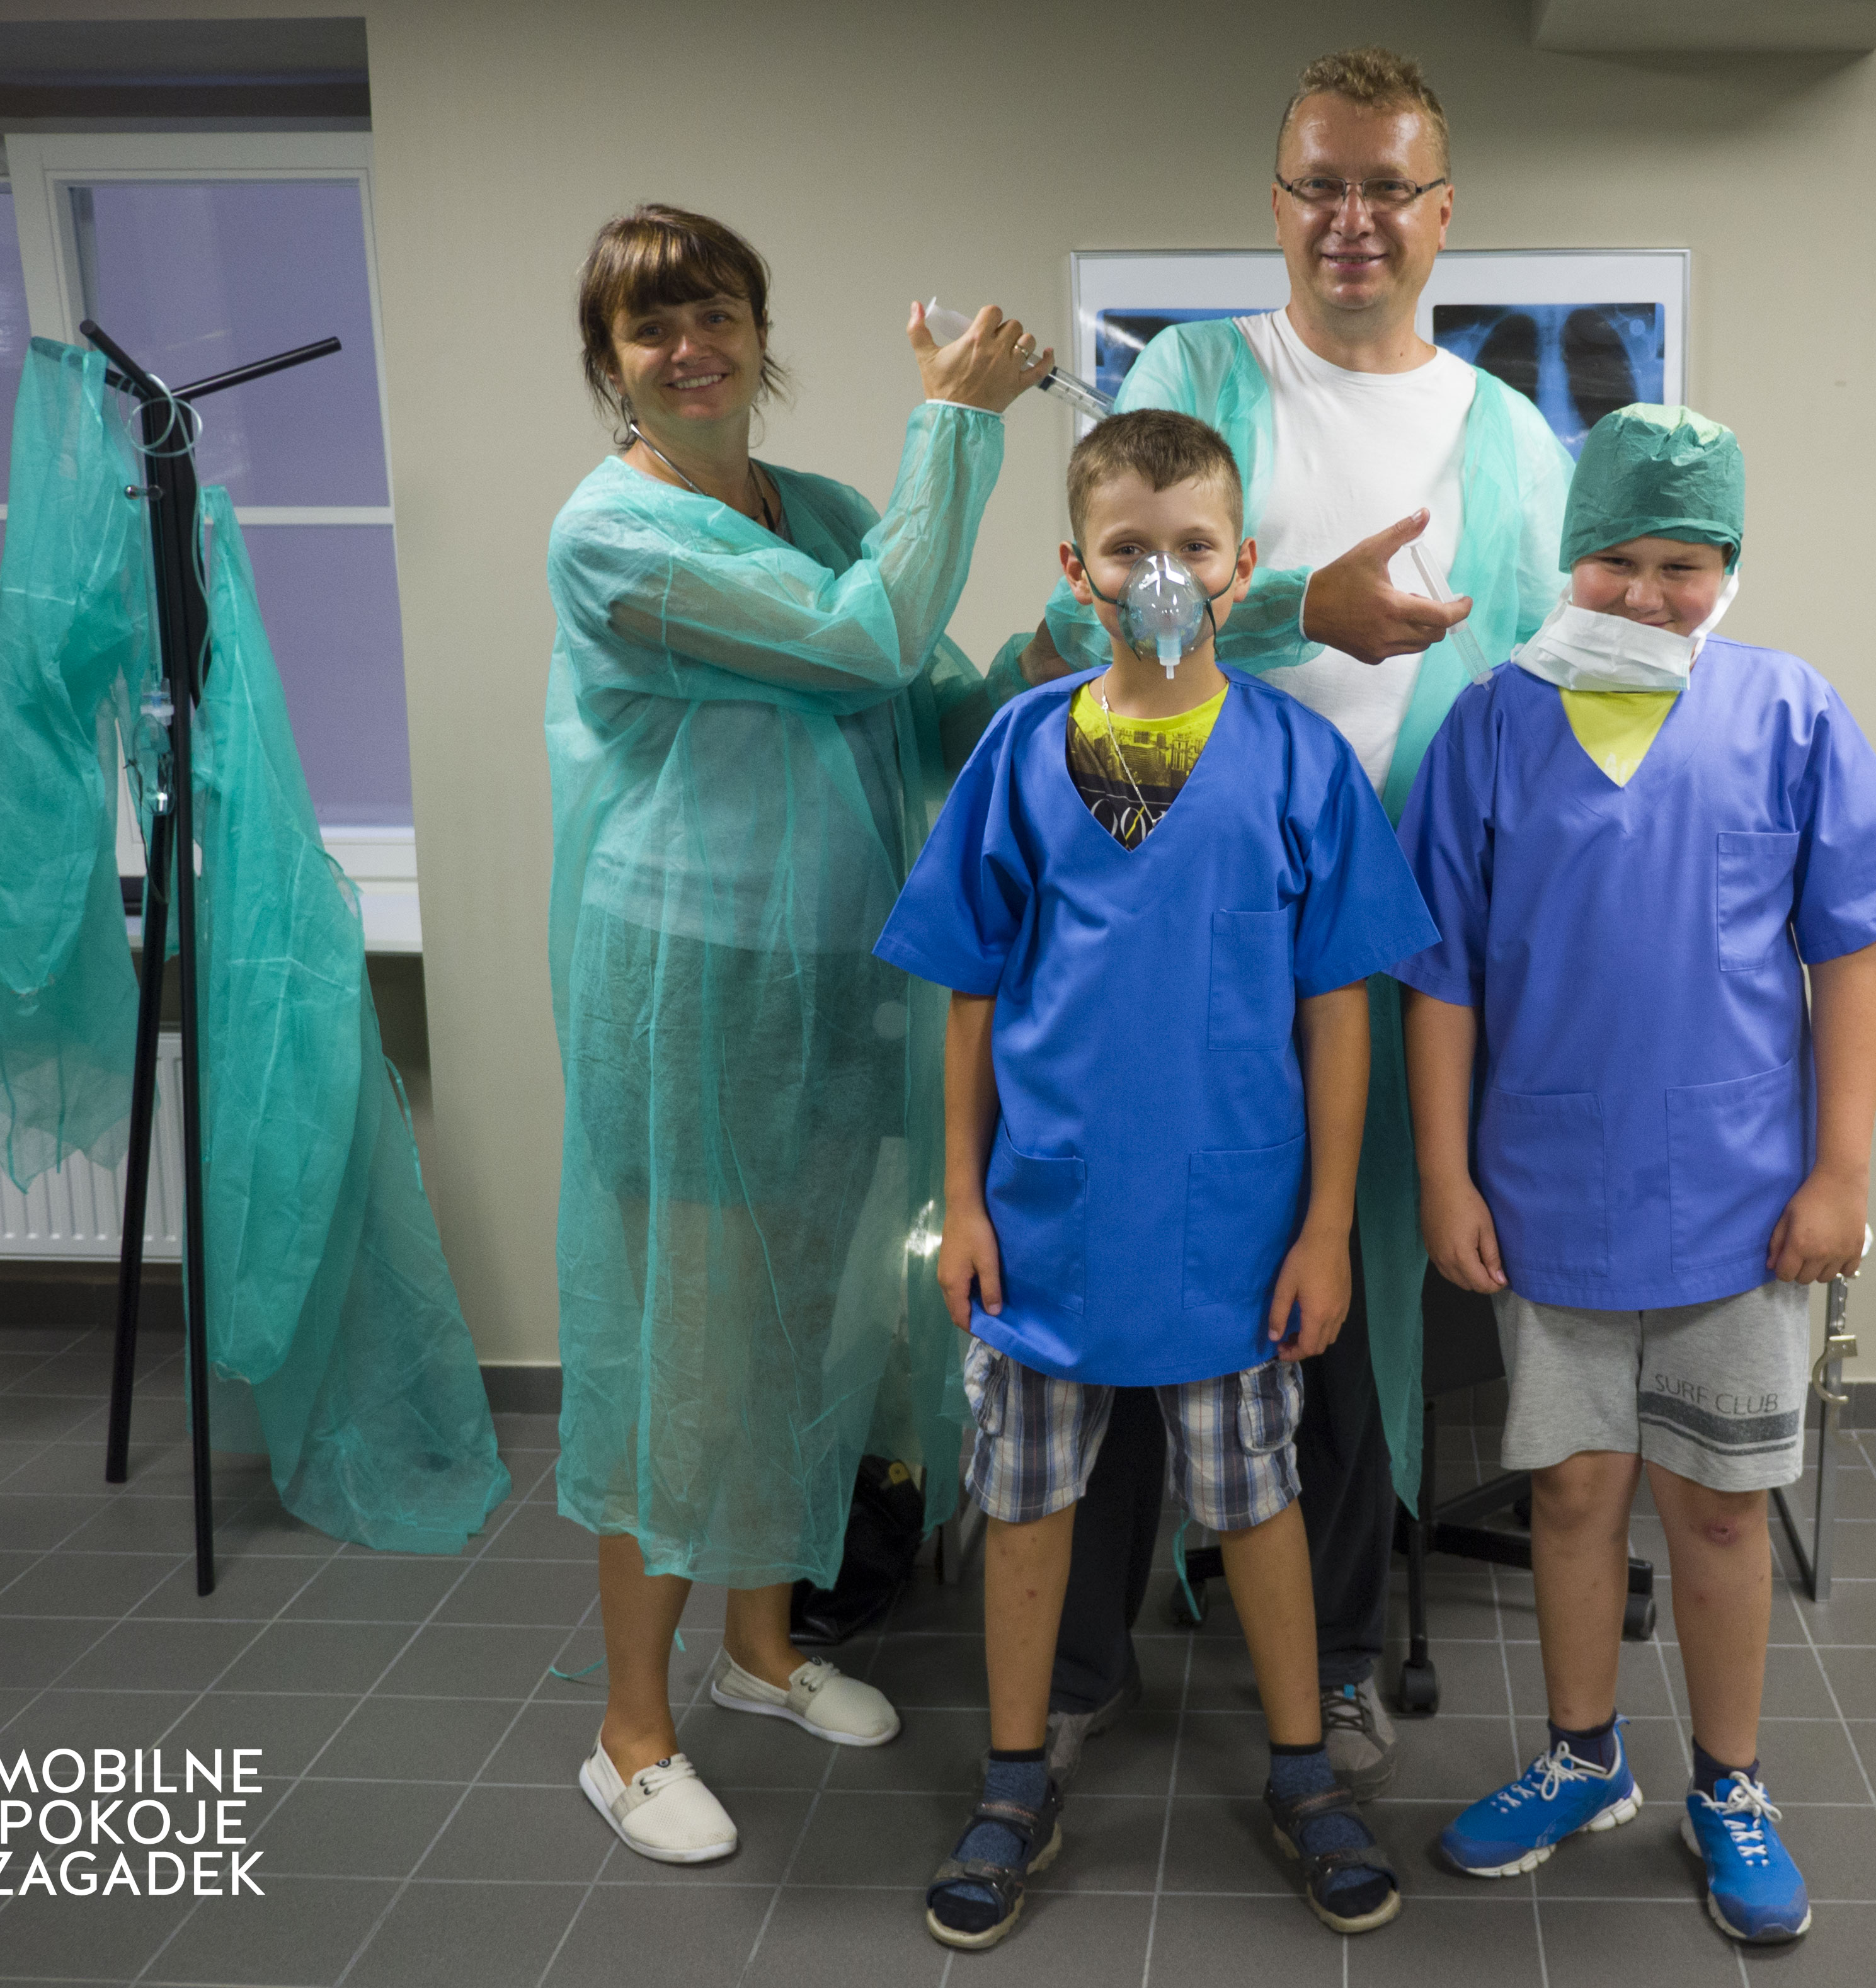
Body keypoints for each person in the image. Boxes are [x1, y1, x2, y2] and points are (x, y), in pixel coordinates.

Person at [1026, 42, 1573, 1802]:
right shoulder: (1195, 377)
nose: (1353, 219)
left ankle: (1329, 1661)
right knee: (1116, 1272)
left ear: (1442, 212)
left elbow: (1545, 704)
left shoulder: (1511, 440)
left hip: (1384, 942)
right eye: (1320, 185)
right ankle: (1085, 1659)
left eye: (1386, 188)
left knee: (1334, 1295)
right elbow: (1080, 643)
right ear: (1275, 206)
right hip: (1167, 927)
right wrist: (1298, 618)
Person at [1393, 406, 1876, 1944]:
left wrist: (1841, 1173)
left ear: (1730, 567)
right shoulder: (1493, 726)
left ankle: (1728, 1786)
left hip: (1741, 1203)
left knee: (1716, 1511)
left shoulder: (1787, 711)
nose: (1647, 593)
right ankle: (1584, 1760)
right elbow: (1439, 979)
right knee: (1573, 1491)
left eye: (1684, 564)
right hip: (1548, 1192)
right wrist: (1445, 1176)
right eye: (1618, 560)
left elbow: (1851, 954)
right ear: (1569, 556)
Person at [876, 410, 1439, 1949]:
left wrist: (1327, 1227)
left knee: (1257, 1501)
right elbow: (969, 996)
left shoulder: (1295, 763)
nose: (1165, 575)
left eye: (1194, 546)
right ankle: (1014, 1783)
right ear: (1079, 573)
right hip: (1047, 1218)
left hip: (1234, 1225)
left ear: (1243, 565)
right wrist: (965, 1202)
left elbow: (1340, 1012)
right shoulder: (1021, 751)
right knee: (1027, 1503)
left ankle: (1306, 1771)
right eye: (1130, 549)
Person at [546, 203, 1058, 1863]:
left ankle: (761, 1652)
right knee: (689, 1358)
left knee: (806, 1330)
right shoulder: (614, 535)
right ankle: (630, 1733)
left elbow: (928, 703)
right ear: (611, 363)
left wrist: (1065, 644)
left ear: (762, 334)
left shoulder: (824, 509)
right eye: (651, 327)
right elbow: (861, 637)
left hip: (832, 976)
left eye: (716, 313)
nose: (690, 348)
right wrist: (959, 423)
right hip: (691, 985)